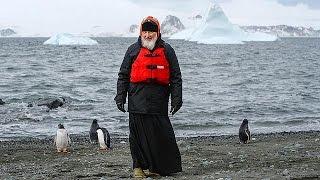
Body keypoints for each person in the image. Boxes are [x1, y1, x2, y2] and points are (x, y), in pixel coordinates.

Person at [114, 16, 183, 178]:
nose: (147, 35)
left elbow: (176, 76)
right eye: (145, 31)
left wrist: (177, 98)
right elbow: (123, 75)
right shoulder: (132, 50)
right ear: (141, 32)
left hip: (159, 101)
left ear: (157, 33)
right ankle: (138, 167)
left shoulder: (167, 50)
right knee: (137, 135)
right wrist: (120, 97)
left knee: (160, 135)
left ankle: (155, 167)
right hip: (137, 99)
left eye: (151, 32)